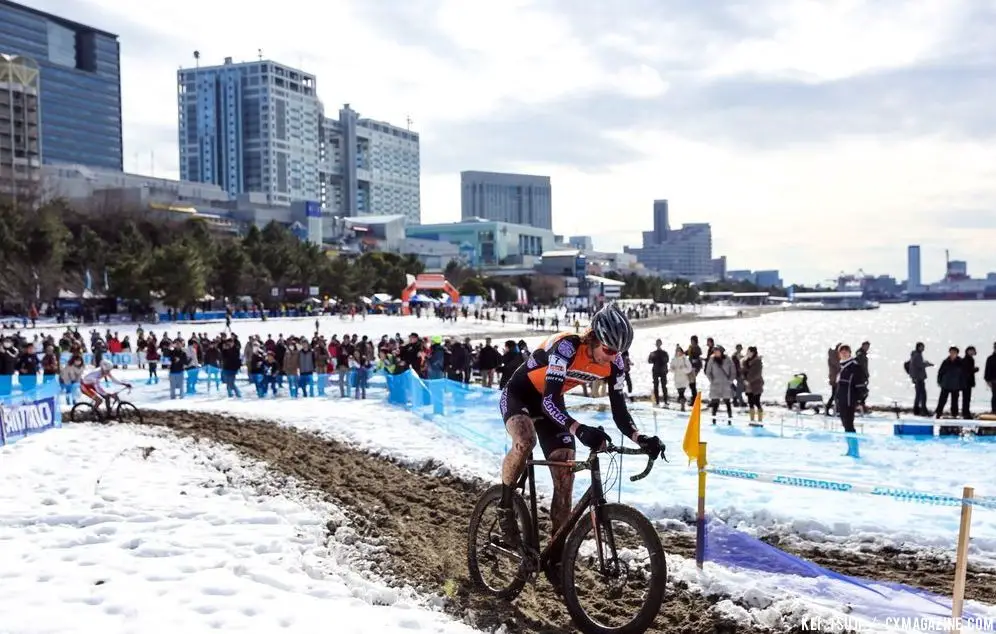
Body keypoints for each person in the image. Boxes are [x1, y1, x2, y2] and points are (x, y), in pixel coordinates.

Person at [496, 304, 664, 586]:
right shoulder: (566, 348)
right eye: (610, 350)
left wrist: (640, 437)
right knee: (525, 442)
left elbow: (619, 410)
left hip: (552, 405)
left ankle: (556, 557)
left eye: (620, 352)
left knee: (565, 478)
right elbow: (547, 401)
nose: (614, 357)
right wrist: (578, 428)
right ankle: (504, 504)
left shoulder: (616, 362)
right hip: (521, 396)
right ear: (594, 339)